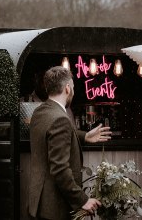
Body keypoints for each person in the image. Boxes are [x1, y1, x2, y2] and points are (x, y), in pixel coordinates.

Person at [28, 66, 112, 220]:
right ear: (67, 88)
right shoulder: (60, 119)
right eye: (72, 87)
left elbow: (52, 134)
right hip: (55, 206)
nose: (73, 90)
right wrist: (83, 200)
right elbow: (60, 169)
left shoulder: (40, 112)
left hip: (40, 202)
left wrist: (84, 136)